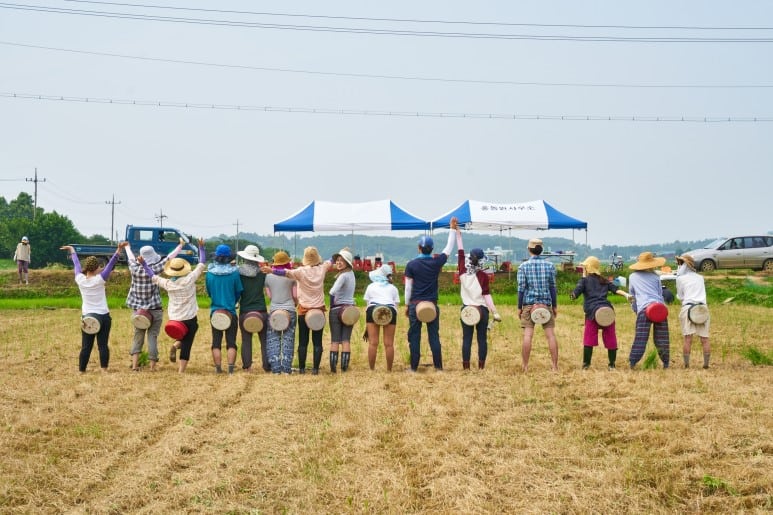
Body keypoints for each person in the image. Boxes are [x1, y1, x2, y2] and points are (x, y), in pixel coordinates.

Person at [262, 246, 333, 375]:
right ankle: (316, 369)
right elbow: (330, 261)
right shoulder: (323, 268)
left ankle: (301, 369)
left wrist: (271, 270)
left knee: (303, 341)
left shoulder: (300, 271)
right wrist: (339, 255)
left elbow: (284, 273)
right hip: (318, 310)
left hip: (304, 310)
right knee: (317, 341)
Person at [139, 239, 206, 373]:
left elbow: (152, 276)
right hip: (189, 317)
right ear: (184, 269)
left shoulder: (168, 283)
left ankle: (176, 344)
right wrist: (201, 247)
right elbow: (202, 263)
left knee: (184, 335)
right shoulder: (189, 279)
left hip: (174, 318)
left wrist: (144, 264)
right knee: (188, 340)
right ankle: (181, 369)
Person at [60, 242, 126, 373]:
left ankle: (81, 370)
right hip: (103, 316)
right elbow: (111, 263)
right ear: (97, 268)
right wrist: (119, 249)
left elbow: (76, 265)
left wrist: (72, 250)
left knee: (86, 346)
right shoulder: (100, 279)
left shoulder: (79, 279)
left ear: (86, 267)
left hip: (88, 316)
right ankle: (104, 369)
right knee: (102, 345)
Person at [124, 240, 183, 371]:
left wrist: (127, 247)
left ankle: (134, 366)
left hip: (138, 310)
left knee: (137, 336)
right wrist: (180, 246)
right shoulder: (155, 269)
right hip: (154, 309)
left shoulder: (134, 268)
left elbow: (131, 258)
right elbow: (169, 258)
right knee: (152, 337)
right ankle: (152, 367)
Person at [404, 227, 456, 372]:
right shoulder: (436, 262)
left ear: (419, 248)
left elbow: (408, 288)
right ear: (432, 249)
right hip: (432, 304)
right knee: (434, 336)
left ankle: (414, 367)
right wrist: (452, 229)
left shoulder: (411, 264)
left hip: (415, 304)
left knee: (414, 336)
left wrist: (407, 305)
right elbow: (449, 248)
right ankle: (438, 367)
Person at [453, 219, 501, 370]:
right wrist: (495, 312)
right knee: (482, 339)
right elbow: (486, 296)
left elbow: (460, 250)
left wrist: (457, 232)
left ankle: (466, 367)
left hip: (467, 309)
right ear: (481, 261)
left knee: (466, 338)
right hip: (481, 310)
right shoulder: (483, 276)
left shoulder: (462, 269)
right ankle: (481, 366)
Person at [569, 256, 632, 370]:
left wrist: (573, 295)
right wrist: (626, 295)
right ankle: (612, 365)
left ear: (588, 268)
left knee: (589, 338)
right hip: (607, 312)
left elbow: (576, 292)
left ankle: (586, 365)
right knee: (611, 338)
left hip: (593, 313)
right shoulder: (604, 280)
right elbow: (616, 289)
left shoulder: (584, 281)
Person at [517, 238, 559, 372]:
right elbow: (553, 287)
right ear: (542, 250)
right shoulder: (550, 266)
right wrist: (554, 306)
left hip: (529, 305)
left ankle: (525, 366)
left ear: (529, 249)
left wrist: (519, 307)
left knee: (528, 335)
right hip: (546, 304)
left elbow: (521, 289)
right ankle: (554, 366)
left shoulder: (523, 267)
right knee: (551, 335)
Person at [628, 251, 671, 369]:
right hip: (659, 308)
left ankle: (632, 362)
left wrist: (636, 310)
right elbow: (660, 294)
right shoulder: (656, 277)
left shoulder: (632, 277)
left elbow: (632, 296)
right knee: (662, 337)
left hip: (644, 309)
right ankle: (666, 363)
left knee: (641, 338)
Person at [206, 244, 244, 374]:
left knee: (216, 342)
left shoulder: (209, 274)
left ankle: (218, 368)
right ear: (229, 258)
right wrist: (233, 301)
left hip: (215, 312)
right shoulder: (234, 273)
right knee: (231, 341)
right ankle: (231, 368)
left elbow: (209, 292)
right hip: (230, 311)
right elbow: (239, 291)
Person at [264, 251, 298, 374]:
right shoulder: (291, 276)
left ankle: (276, 368)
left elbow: (269, 295)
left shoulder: (268, 277)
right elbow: (295, 295)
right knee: (289, 339)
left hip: (274, 309)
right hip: (290, 309)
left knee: (273, 339)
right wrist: (295, 303)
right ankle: (287, 368)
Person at [236, 244, 269, 373]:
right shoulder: (263, 274)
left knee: (246, 340)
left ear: (245, 257)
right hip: (261, 309)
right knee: (264, 339)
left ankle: (247, 367)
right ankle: (267, 366)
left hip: (245, 310)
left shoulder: (238, 273)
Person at [675, 254, 711, 369]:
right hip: (702, 308)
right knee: (705, 338)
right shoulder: (700, 277)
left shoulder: (680, 279)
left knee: (688, 338)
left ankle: (687, 365)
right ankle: (706, 364)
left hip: (688, 308)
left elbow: (681, 296)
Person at [363, 264, 400, 371]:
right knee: (389, 344)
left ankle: (372, 369)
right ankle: (389, 369)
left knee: (373, 343)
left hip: (373, 310)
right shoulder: (393, 288)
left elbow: (368, 304)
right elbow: (396, 305)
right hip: (390, 311)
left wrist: (368, 324)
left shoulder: (371, 286)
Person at [328, 248, 356, 373]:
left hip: (337, 309)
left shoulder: (342, 276)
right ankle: (344, 368)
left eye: (341, 261)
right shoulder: (351, 274)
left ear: (347, 263)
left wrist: (332, 305)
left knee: (335, 339)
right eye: (337, 260)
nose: (338, 262)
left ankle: (333, 368)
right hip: (350, 309)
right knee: (346, 339)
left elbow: (332, 292)